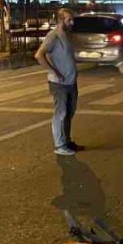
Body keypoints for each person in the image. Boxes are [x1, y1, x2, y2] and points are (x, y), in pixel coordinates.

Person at [35, 8, 81, 156]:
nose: (72, 22)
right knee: (60, 114)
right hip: (59, 84)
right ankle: (60, 145)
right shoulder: (53, 36)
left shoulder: (66, 35)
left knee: (69, 113)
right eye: (69, 20)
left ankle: (67, 141)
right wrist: (53, 71)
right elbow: (39, 55)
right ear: (61, 20)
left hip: (70, 82)